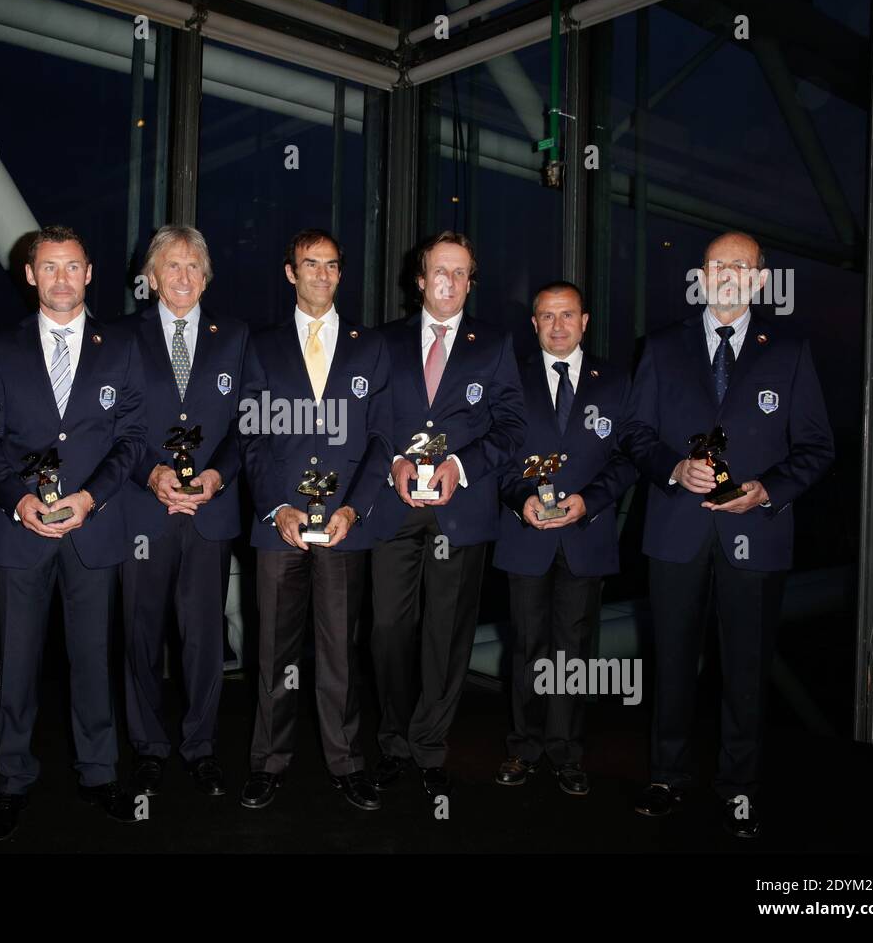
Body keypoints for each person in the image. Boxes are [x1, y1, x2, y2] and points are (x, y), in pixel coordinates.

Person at [624, 231, 834, 837]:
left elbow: (817, 446)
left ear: (761, 280)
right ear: (702, 274)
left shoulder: (790, 350)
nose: (729, 274)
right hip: (675, 531)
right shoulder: (661, 348)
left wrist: (768, 489)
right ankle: (667, 775)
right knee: (671, 662)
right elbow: (635, 433)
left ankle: (739, 789)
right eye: (719, 264)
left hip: (757, 534)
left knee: (746, 668)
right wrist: (671, 466)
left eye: (741, 266)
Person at [0, 225, 147, 839]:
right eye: (49, 267)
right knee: (14, 664)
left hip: (92, 530)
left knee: (92, 660)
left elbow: (132, 439)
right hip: (18, 531)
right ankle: (11, 781)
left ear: (89, 272)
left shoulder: (120, 346)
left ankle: (99, 774)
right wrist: (18, 498)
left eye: (72, 266)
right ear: (30, 275)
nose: (61, 278)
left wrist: (92, 498)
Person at [368, 231, 526, 801]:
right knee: (387, 631)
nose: (451, 282)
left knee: (447, 635)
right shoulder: (382, 342)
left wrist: (461, 464)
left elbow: (512, 428)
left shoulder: (496, 345)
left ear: (470, 281)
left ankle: (429, 747)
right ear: (419, 278)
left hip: (461, 513)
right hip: (394, 508)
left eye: (462, 274)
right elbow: (368, 419)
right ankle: (391, 740)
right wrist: (393, 463)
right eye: (441, 271)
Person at [239, 228, 392, 812]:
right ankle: (268, 762)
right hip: (277, 524)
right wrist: (277, 506)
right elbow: (250, 432)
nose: (322, 275)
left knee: (339, 652)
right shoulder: (261, 345)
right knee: (274, 651)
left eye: (332, 265)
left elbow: (381, 437)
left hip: (345, 524)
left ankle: (346, 762)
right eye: (310, 264)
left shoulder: (370, 346)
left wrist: (356, 506)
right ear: (290, 273)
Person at [492, 281, 637, 797]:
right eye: (547, 317)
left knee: (573, 653)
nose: (558, 325)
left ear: (585, 321)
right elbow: (499, 455)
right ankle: (523, 747)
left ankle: (567, 752)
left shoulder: (616, 382)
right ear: (533, 324)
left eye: (567, 315)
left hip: (586, 534)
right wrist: (519, 498)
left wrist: (588, 502)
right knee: (528, 648)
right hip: (524, 533)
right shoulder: (510, 379)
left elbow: (627, 458)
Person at [120, 226, 250, 798]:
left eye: (194, 267)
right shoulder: (121, 338)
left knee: (203, 638)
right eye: (171, 266)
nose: (183, 277)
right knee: (140, 635)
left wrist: (217, 476)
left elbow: (249, 424)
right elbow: (114, 424)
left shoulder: (237, 338)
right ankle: (148, 747)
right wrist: (151, 473)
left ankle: (200, 747)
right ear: (151, 278)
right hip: (142, 512)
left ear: (206, 277)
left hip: (209, 513)